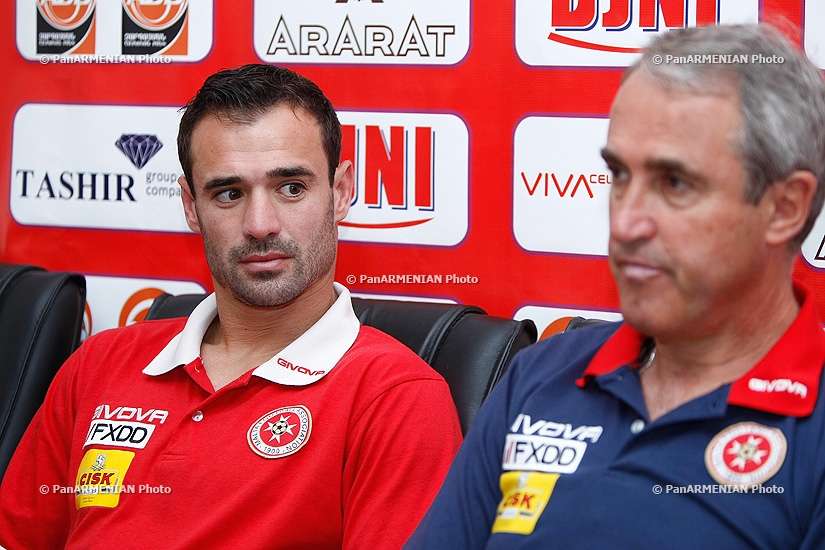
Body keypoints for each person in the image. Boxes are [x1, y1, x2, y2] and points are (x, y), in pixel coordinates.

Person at [0, 64, 462, 549]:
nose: (260, 225)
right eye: (228, 193)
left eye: (291, 188)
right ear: (189, 206)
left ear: (342, 191)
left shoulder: (397, 400)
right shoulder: (98, 364)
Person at [405, 23, 825, 549]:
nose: (625, 224)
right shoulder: (540, 375)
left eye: (675, 183)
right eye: (620, 176)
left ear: (784, 208)